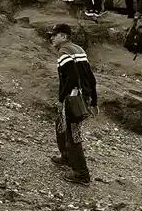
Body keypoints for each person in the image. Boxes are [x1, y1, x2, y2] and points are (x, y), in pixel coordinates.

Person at [48, 23, 98, 186]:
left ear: (64, 36)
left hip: (74, 98)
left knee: (72, 134)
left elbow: (71, 78)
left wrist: (61, 99)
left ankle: (82, 174)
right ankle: (66, 157)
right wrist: (94, 100)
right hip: (84, 96)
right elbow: (91, 77)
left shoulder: (64, 51)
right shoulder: (79, 50)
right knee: (60, 124)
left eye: (55, 35)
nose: (52, 38)